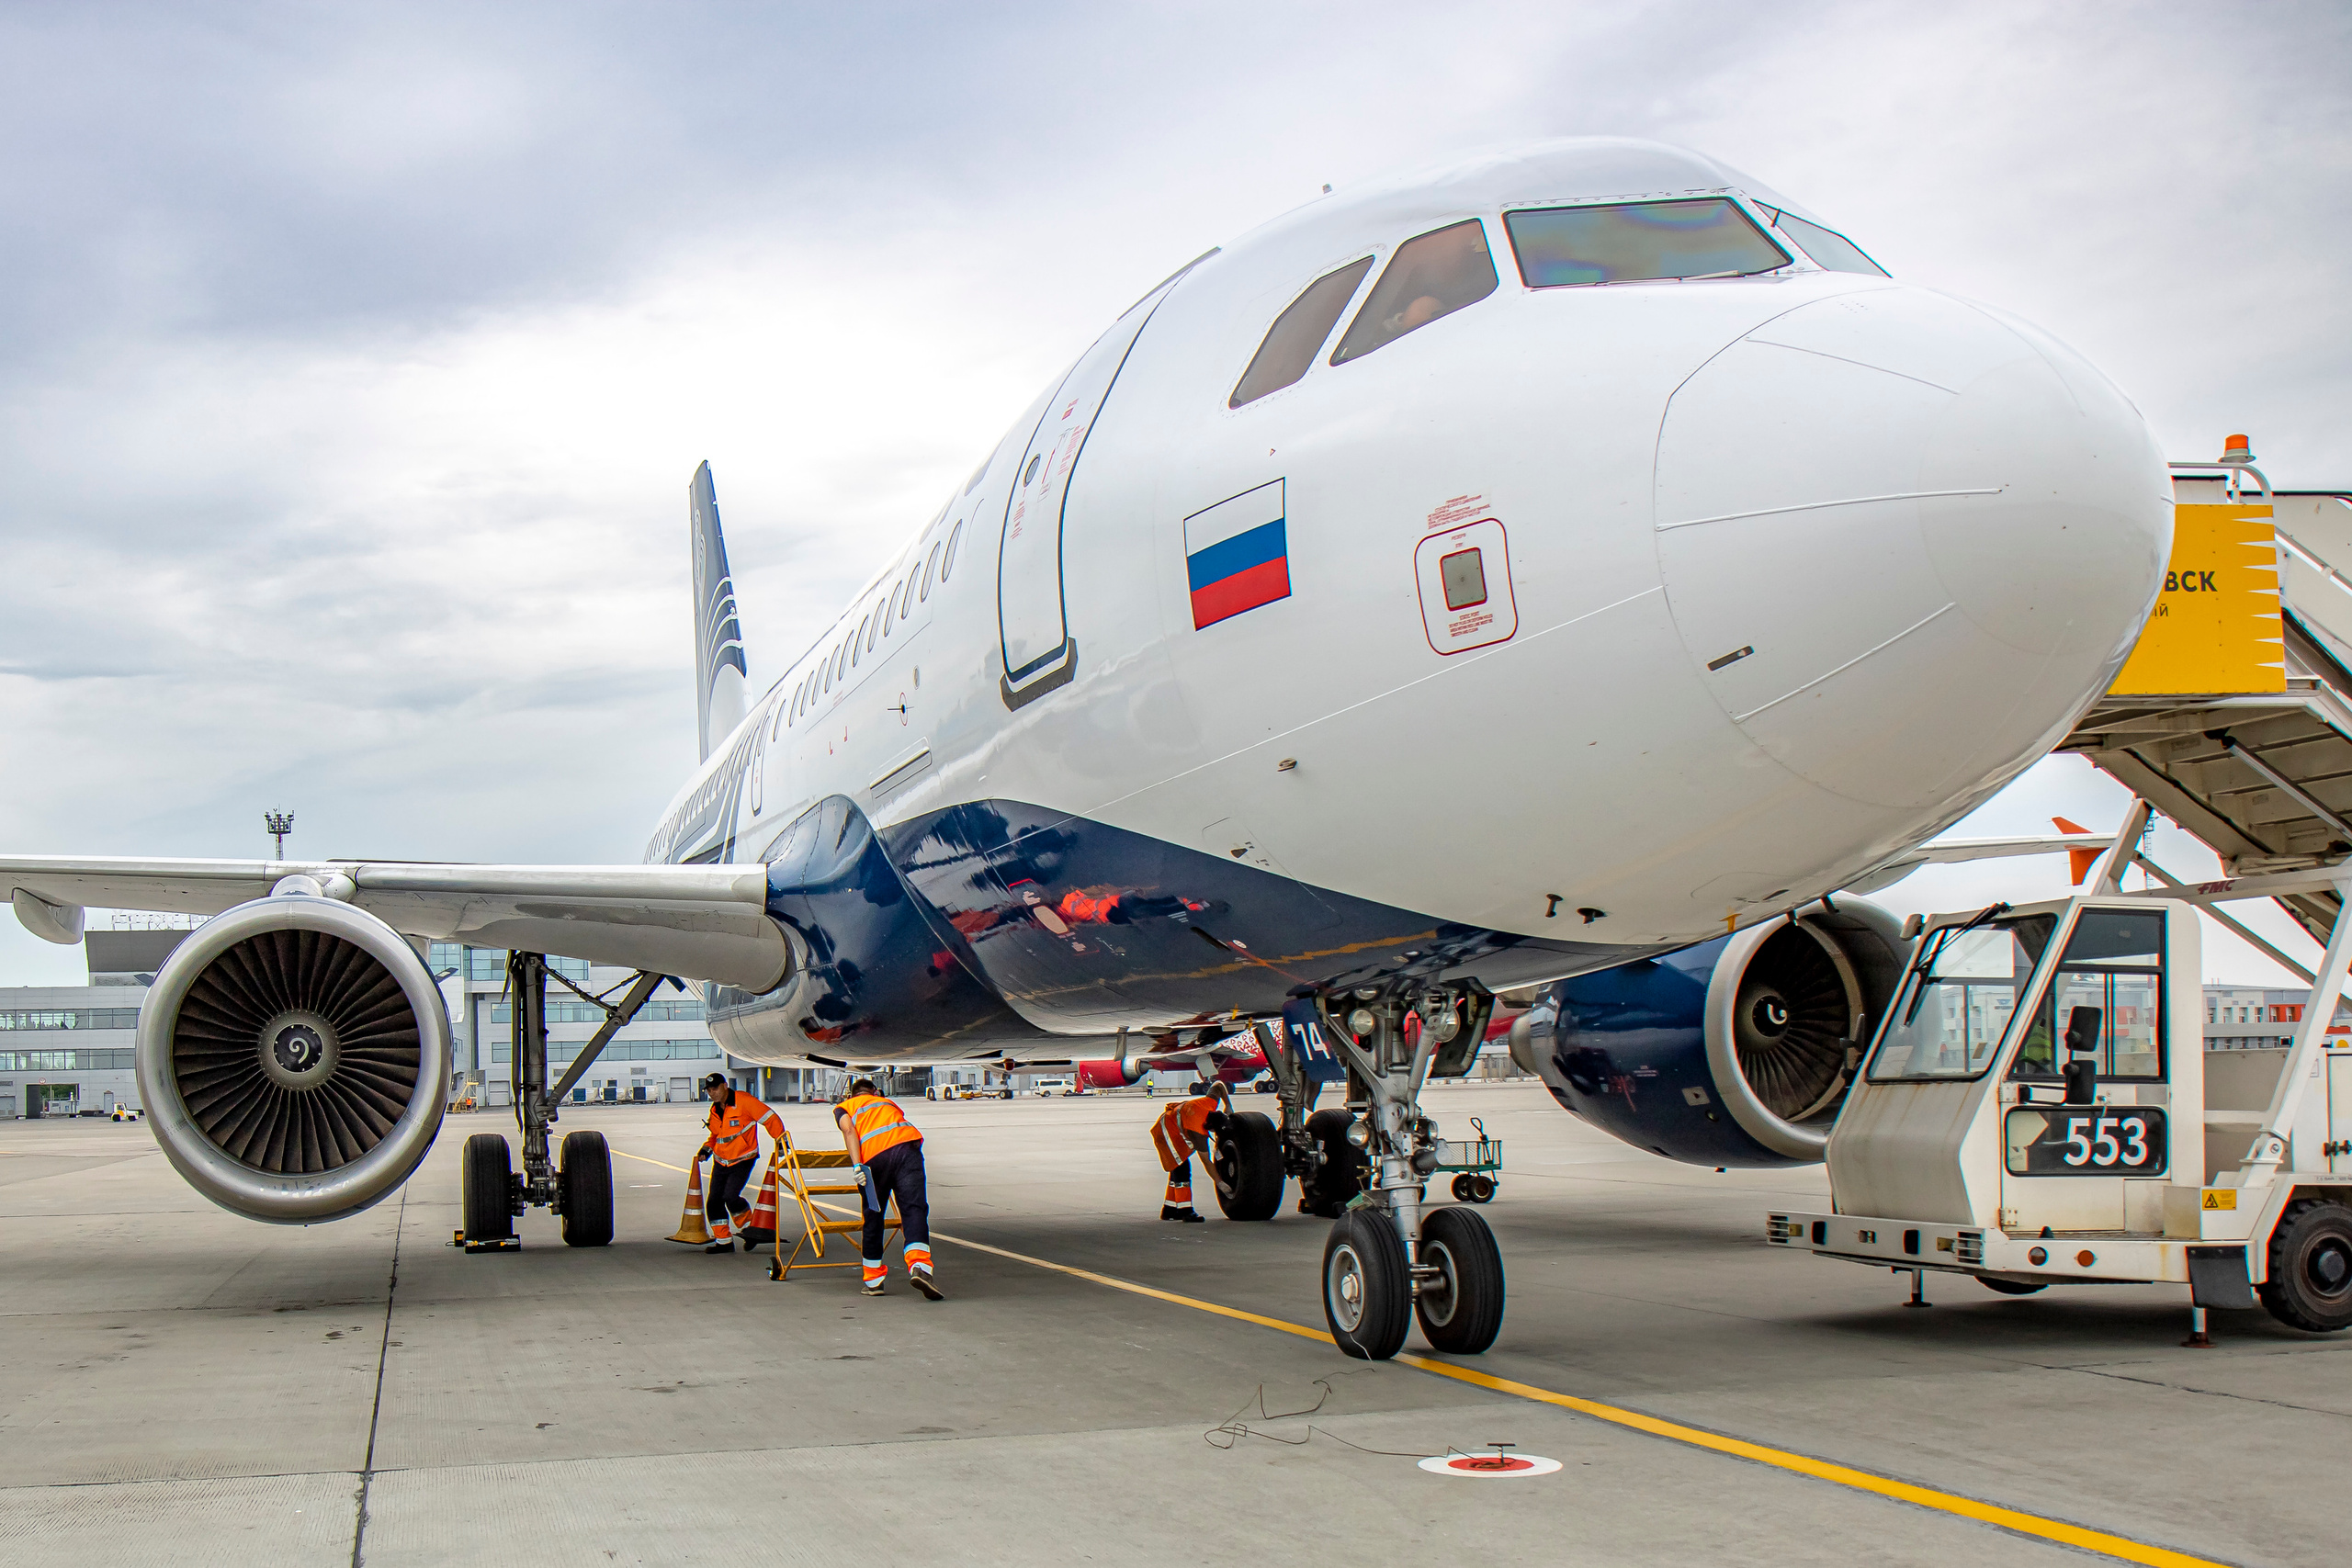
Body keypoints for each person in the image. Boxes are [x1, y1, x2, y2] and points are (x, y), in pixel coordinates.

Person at [835, 1077, 942, 1300]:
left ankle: (874, 1281)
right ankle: (921, 1267)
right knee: (914, 1209)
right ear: (875, 1092)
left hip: (874, 1163)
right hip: (908, 1152)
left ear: (851, 1095)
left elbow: (849, 1132)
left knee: (874, 1215)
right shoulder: (886, 1103)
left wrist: (857, 1165)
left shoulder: (844, 1107)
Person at [695, 1072, 784, 1254]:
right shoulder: (714, 1110)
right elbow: (716, 1136)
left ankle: (751, 1229)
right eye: (709, 1090)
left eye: (715, 1088)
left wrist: (781, 1141)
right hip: (721, 1161)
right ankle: (724, 1242)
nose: (712, 1093)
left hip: (743, 1158)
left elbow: (770, 1118)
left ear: (725, 1086)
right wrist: (706, 1150)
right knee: (713, 1202)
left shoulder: (744, 1101)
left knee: (731, 1197)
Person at [1149, 1083, 1231, 1223]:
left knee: (1177, 1169)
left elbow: (1218, 1085)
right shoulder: (1198, 1132)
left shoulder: (1209, 1103)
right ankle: (1185, 1211)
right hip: (1166, 1133)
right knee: (1182, 1170)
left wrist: (1228, 1105)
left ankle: (1169, 1210)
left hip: (1174, 1122)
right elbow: (1207, 1162)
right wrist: (1220, 1183)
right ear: (1208, 1127)